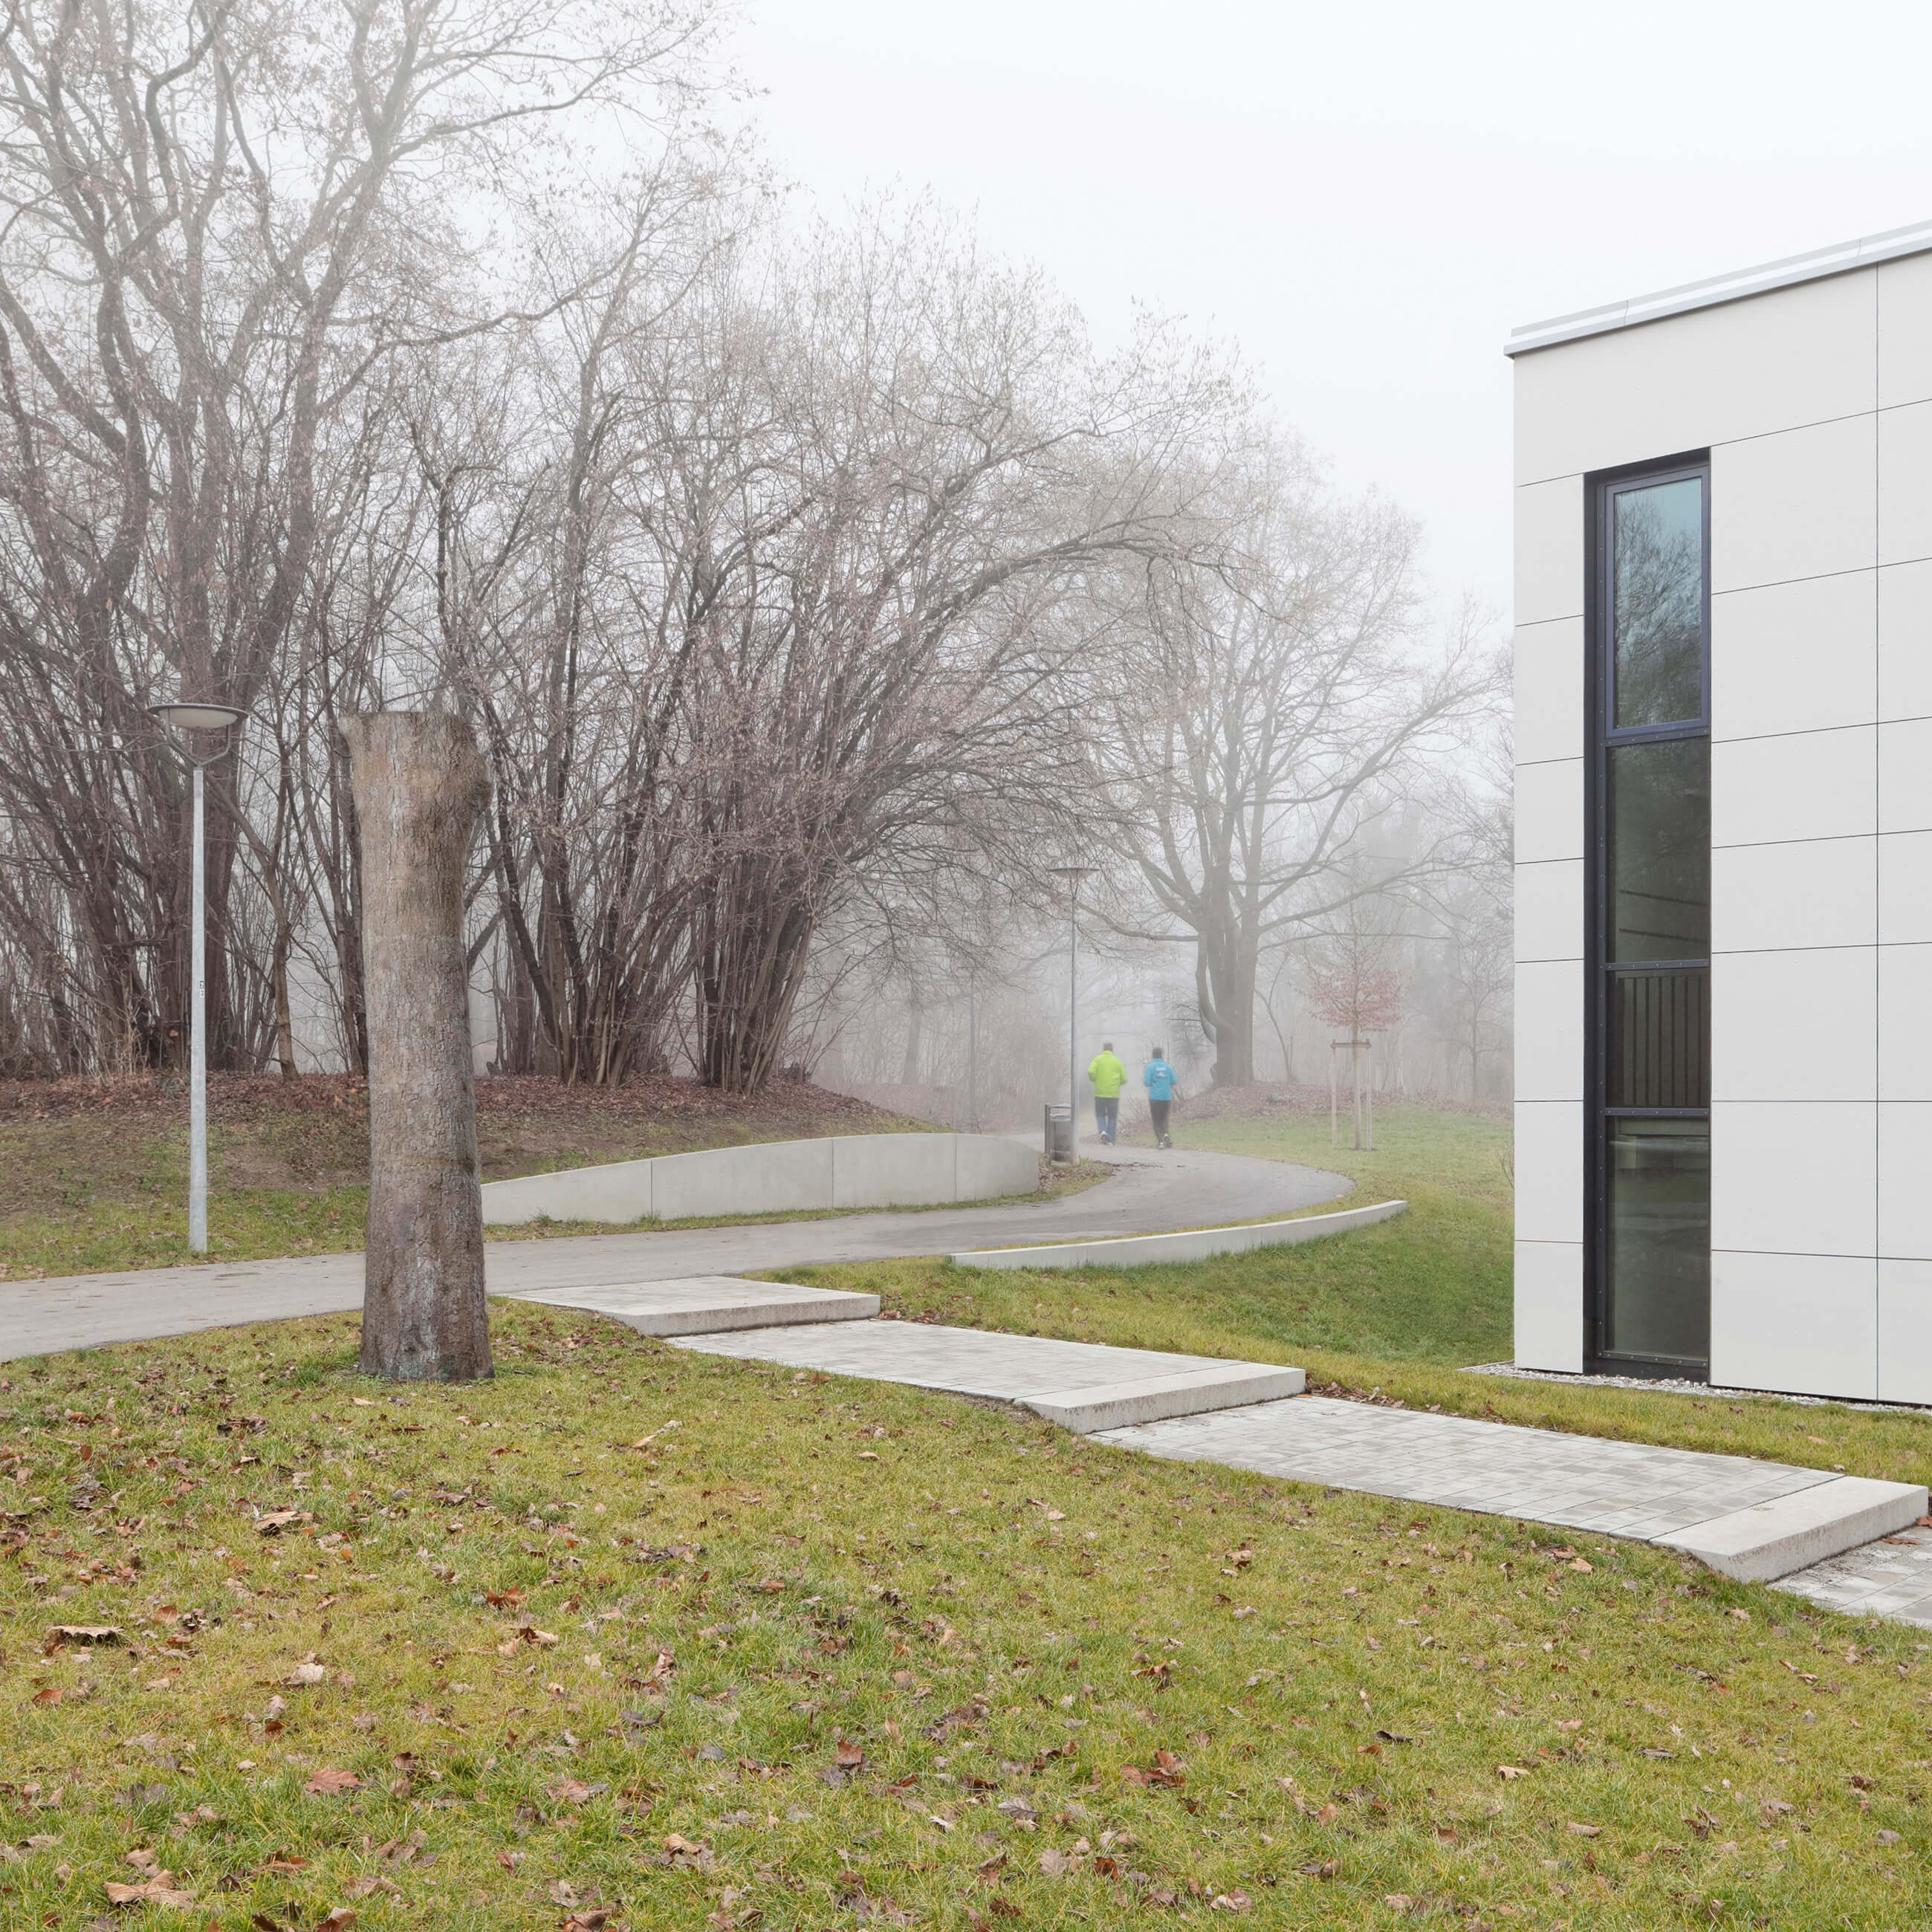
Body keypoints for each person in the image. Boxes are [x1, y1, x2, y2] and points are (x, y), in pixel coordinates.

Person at [1086, 1040, 1127, 1145]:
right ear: (1112, 1050)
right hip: (1113, 1094)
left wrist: (1093, 1079)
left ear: (1103, 1050)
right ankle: (1111, 1140)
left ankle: (1103, 1131)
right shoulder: (1117, 1061)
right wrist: (1117, 1083)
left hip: (1100, 1093)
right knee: (1112, 1117)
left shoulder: (1098, 1059)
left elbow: (1091, 1071)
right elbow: (1124, 1079)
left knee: (1100, 1114)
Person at [1144, 1046, 1179, 1148]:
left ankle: (1161, 1142)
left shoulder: (1150, 1067)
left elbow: (1146, 1082)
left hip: (1155, 1097)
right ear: (1161, 1056)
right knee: (1164, 1119)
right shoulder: (1168, 1067)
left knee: (1156, 1120)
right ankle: (1166, 1134)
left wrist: (1155, 1082)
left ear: (1153, 1056)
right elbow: (1174, 1081)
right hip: (1166, 1097)